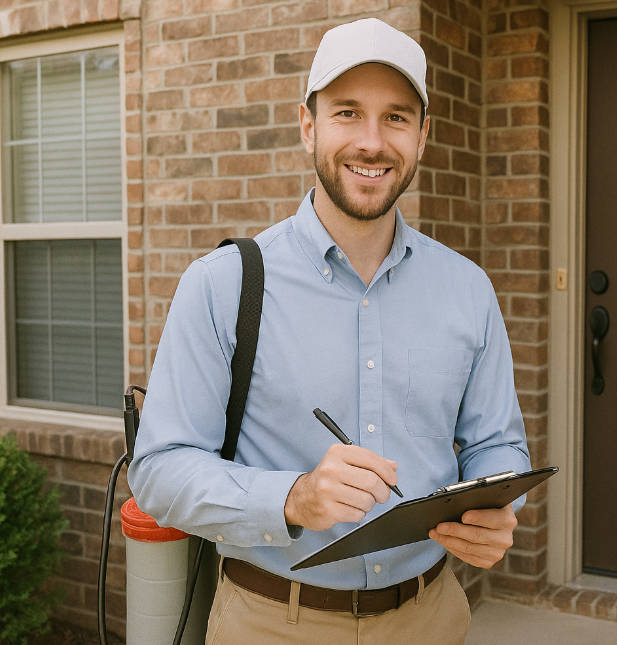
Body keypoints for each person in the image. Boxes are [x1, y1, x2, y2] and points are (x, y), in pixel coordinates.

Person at [127, 17, 531, 645]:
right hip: (270, 623)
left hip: (431, 617)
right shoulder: (221, 285)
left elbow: (498, 448)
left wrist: (496, 510)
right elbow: (159, 470)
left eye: (396, 117)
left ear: (423, 136)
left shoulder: (468, 289)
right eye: (347, 113)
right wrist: (293, 497)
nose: (372, 142)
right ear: (308, 125)